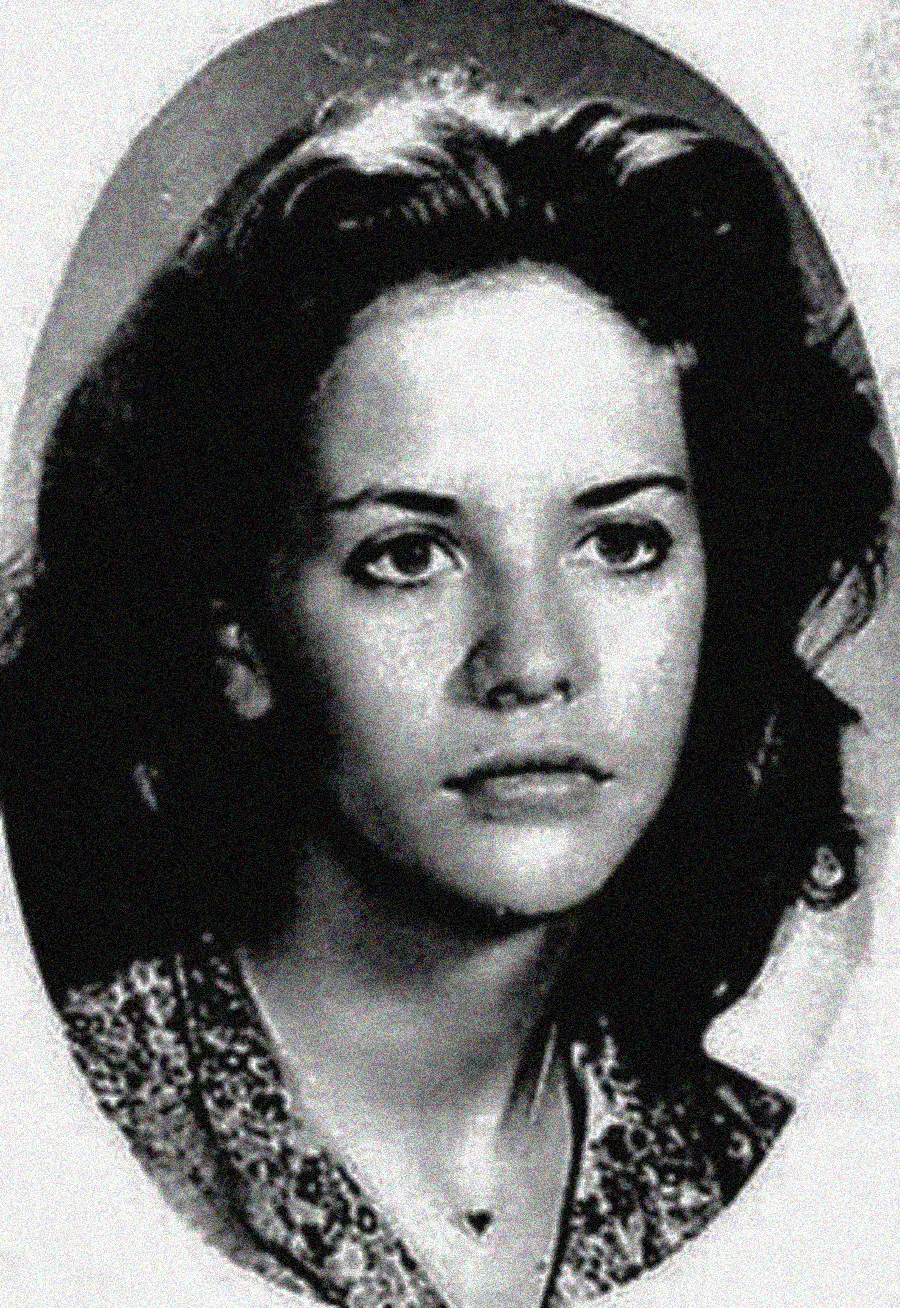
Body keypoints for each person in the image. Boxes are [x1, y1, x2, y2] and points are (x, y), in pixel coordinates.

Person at [0, 74, 892, 1307]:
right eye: (410, 555)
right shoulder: (49, 1142)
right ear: (236, 643)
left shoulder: (766, 1179)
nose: (532, 660)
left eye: (621, 543)